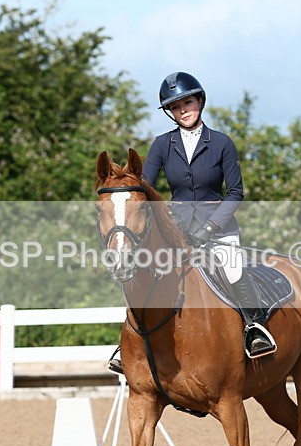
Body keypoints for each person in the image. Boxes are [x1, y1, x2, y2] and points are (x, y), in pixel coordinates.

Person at [108, 71, 276, 375]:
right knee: (146, 273)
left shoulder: (222, 143)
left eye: (187, 102)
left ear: (200, 100)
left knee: (232, 267)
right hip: (177, 229)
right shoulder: (161, 145)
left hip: (219, 228)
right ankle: (130, 342)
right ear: (170, 113)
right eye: (175, 106)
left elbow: (236, 192)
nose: (183, 109)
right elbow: (144, 187)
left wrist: (211, 227)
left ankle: (254, 327)